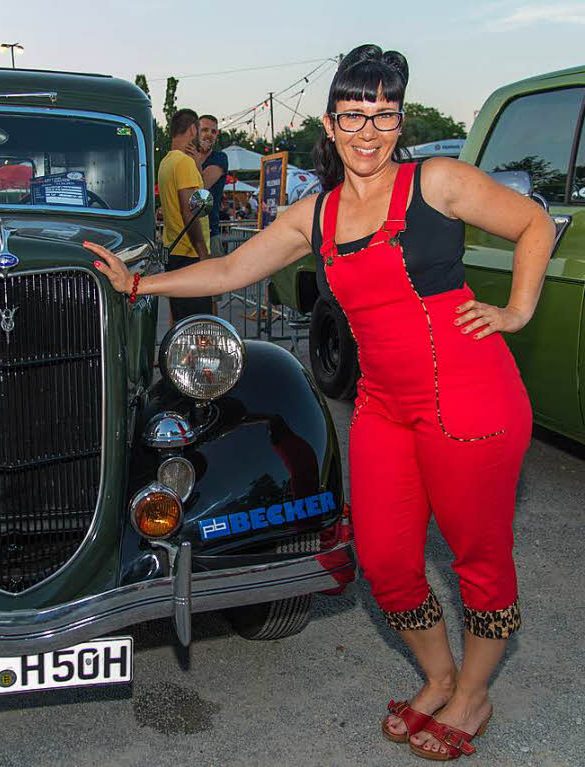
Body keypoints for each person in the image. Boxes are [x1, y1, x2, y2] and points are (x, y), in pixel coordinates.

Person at [86, 44, 554, 762]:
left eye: (384, 114)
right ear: (329, 126)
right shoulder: (317, 214)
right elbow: (236, 265)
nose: (368, 131)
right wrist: (138, 285)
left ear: (399, 120)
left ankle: (474, 692)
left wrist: (517, 310)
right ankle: (437, 674)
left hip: (469, 397)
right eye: (353, 115)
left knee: (478, 557)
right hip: (383, 408)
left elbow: (532, 223)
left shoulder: (441, 181)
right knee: (387, 560)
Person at [157, 108, 211, 322]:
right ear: (191, 129)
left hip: (174, 252)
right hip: (190, 256)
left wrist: (197, 164)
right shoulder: (183, 162)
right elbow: (190, 209)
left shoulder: (166, 162)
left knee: (182, 322)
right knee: (199, 326)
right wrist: (203, 253)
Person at [197, 114, 230, 257]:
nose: (209, 134)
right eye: (204, 130)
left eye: (213, 131)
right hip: (185, 232)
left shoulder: (219, 158)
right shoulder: (184, 157)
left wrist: (195, 155)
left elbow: (200, 187)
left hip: (209, 232)